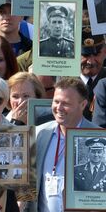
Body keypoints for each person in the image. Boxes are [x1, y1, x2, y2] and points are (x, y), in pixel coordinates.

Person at [36, 77, 98, 211]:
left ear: (83, 105)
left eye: (66, 103)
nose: (59, 108)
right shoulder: (39, 134)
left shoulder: (99, 138)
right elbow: (27, 181)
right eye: (56, 101)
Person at [80, 30, 106, 119]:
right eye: (85, 55)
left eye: (96, 54)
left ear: (105, 52)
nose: (90, 61)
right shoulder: (62, 81)